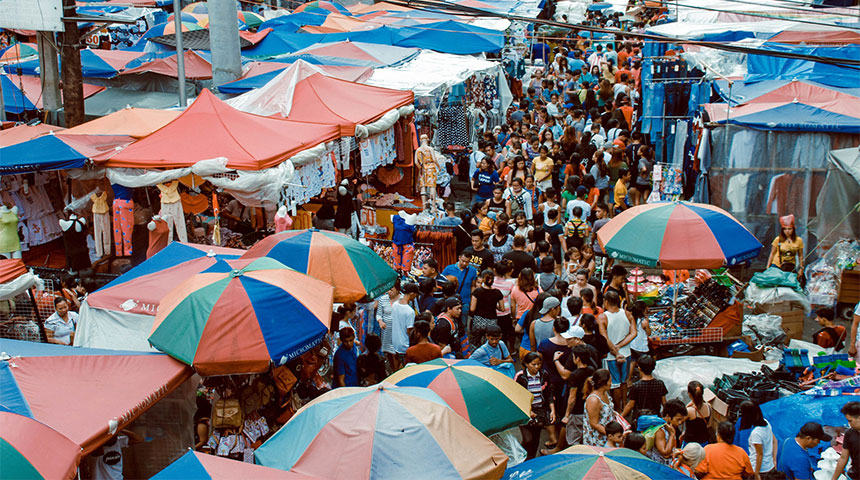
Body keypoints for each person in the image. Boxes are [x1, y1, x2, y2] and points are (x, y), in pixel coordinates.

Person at [537, 316, 571, 452]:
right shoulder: (570, 345)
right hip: (564, 381)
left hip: (548, 379)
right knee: (562, 405)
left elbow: (538, 360)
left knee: (548, 405)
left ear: (554, 328)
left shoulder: (545, 344)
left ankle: (552, 435)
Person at [598, 290, 636, 407]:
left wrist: (615, 350)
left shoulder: (602, 317)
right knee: (624, 381)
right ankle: (624, 404)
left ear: (606, 302)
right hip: (626, 354)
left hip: (611, 356)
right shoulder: (627, 314)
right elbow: (633, 333)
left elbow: (604, 337)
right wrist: (620, 347)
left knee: (615, 383)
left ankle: (618, 409)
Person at [515, 352, 555, 459]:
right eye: (533, 364)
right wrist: (529, 410)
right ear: (526, 364)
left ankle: (531, 459)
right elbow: (517, 395)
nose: (536, 367)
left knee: (536, 438)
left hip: (540, 411)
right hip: (525, 411)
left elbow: (549, 393)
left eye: (538, 364)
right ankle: (520, 457)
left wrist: (552, 410)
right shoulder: (520, 377)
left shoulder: (544, 375)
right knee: (528, 440)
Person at [562, 344, 596, 446]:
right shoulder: (592, 370)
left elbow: (572, 397)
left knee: (574, 439)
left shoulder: (574, 375)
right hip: (588, 409)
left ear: (577, 359)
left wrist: (567, 415)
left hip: (576, 411)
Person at [620, 354, 667, 427]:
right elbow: (664, 402)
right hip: (656, 418)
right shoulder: (660, 384)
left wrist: (620, 417)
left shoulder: (636, 386)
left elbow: (630, 405)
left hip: (640, 419)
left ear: (639, 368)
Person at [737, 401, 778, 480]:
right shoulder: (766, 423)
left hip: (760, 469)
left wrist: (756, 473)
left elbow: (759, 454)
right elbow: (775, 441)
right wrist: (774, 459)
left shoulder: (756, 433)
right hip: (769, 465)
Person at [470, 269, 505, 349]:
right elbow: (502, 308)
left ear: (483, 279)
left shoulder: (477, 292)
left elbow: (472, 309)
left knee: (475, 342)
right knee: (489, 344)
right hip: (492, 321)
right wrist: (494, 305)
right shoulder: (497, 293)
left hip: (478, 320)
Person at [647, 400, 687, 465]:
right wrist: (672, 434)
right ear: (668, 416)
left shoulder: (670, 427)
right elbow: (665, 454)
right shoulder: (659, 430)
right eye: (678, 419)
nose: (680, 423)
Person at [390, 282, 419, 371]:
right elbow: (409, 330)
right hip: (405, 344)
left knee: (396, 367)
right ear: (412, 294)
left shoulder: (395, 305)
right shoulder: (409, 311)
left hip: (395, 342)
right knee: (404, 369)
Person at [583, 369, 615, 447]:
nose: (611, 383)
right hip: (598, 439)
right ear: (604, 383)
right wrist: (611, 435)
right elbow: (594, 424)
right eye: (610, 381)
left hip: (609, 434)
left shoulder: (605, 393)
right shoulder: (593, 400)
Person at [832, 402, 860, 480]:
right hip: (854, 476)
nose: (849, 424)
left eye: (850, 421)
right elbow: (843, 457)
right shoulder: (849, 433)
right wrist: (834, 478)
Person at [378, 280, 400, 372]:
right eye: (388, 290)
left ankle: (396, 371)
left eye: (392, 290)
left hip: (398, 331)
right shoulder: (383, 299)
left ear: (398, 290)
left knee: (396, 353)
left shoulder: (402, 300)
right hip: (386, 331)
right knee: (388, 352)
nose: (389, 292)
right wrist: (380, 321)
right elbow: (379, 314)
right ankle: (392, 370)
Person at [683, 381, 711, 447]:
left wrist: (686, 407)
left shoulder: (689, 410)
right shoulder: (709, 406)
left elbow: (679, 420)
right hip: (703, 443)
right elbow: (709, 425)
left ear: (689, 394)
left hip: (690, 445)